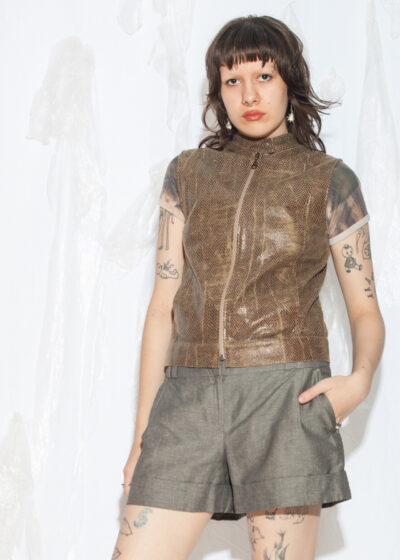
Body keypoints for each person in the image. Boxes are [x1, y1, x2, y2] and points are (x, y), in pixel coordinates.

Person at [111, 14, 385, 560]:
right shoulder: (187, 174)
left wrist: (359, 381)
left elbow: (365, 309)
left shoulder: (329, 180)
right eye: (232, 80)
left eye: (263, 76)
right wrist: (143, 435)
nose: (249, 95)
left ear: (289, 82)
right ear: (218, 91)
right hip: (187, 398)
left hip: (285, 398)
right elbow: (163, 308)